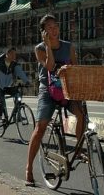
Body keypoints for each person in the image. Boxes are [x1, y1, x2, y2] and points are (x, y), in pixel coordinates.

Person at [25, 14, 84, 186]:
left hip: (66, 89)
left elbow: (77, 68)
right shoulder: (40, 49)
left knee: (81, 115)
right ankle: (29, 167)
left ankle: (79, 151)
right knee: (41, 126)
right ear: (44, 32)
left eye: (55, 26)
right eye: (49, 27)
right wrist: (49, 46)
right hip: (48, 90)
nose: (54, 29)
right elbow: (50, 66)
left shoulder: (69, 47)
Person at [0, 47, 31, 130]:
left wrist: (27, 82)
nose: (14, 56)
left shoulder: (14, 64)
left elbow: (20, 73)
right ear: (7, 54)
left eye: (15, 54)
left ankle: (17, 115)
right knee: (1, 103)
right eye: (12, 54)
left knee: (18, 94)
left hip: (7, 86)